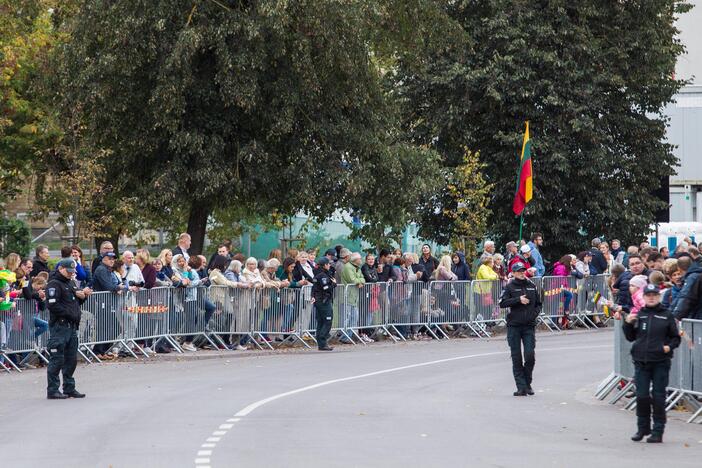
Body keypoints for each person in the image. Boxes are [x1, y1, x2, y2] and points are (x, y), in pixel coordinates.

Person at [622, 284, 680, 443]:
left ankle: (658, 430)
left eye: (654, 294)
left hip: (660, 361)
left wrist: (669, 346)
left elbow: (676, 337)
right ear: (645, 297)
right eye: (649, 295)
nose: (652, 297)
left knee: (659, 397)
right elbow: (630, 337)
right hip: (641, 361)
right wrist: (627, 323)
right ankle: (642, 428)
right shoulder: (640, 314)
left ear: (658, 296)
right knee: (641, 396)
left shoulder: (666, 315)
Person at [46, 258, 92, 399]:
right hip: (60, 326)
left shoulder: (70, 283)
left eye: (72, 271)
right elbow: (53, 305)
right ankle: (53, 390)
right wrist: (70, 313)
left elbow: (75, 302)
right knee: (57, 359)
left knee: (71, 360)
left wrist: (84, 296)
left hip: (71, 327)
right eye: (68, 271)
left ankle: (69, 387)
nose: (70, 273)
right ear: (60, 269)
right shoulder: (54, 284)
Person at [499, 262, 541, 397]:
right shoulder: (510, 286)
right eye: (519, 271)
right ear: (514, 273)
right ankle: (521, 387)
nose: (522, 273)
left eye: (523, 270)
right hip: (514, 326)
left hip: (529, 326)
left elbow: (539, 304)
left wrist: (533, 315)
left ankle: (527, 383)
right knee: (516, 357)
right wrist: (518, 300)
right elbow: (502, 303)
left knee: (530, 356)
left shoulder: (532, 286)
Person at [312, 257, 336, 351]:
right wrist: (334, 284)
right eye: (328, 264)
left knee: (321, 322)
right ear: (325, 265)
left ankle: (322, 344)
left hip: (320, 300)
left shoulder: (322, 274)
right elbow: (325, 288)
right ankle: (322, 342)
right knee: (327, 321)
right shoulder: (322, 276)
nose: (329, 265)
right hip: (323, 301)